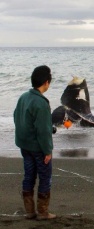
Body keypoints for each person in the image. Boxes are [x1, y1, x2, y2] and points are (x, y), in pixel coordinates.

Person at [14, 65, 56, 220]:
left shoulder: (23, 97)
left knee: (29, 176)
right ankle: (43, 212)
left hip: (24, 145)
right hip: (38, 148)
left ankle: (30, 211)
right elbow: (43, 131)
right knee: (45, 178)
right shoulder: (41, 103)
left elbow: (16, 117)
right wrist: (48, 151)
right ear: (46, 82)